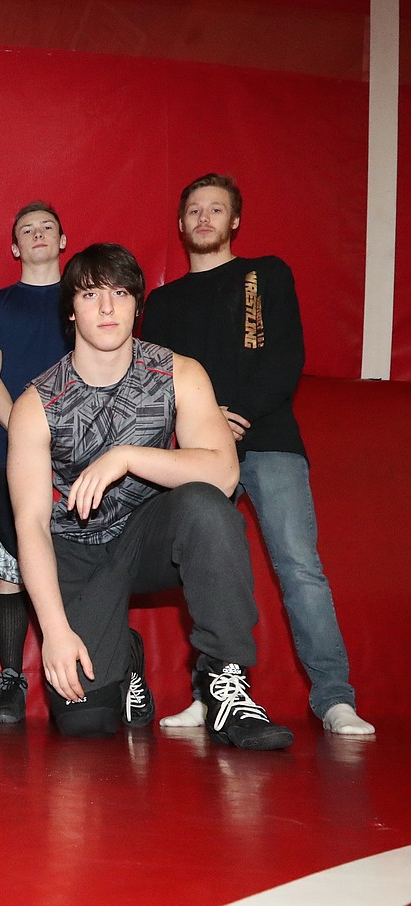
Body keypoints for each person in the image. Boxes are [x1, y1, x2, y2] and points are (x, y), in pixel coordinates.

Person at [8, 242, 294, 749]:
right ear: (70, 310)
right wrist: (53, 629)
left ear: (138, 305)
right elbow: (29, 523)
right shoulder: (36, 403)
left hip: (147, 539)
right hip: (75, 550)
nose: (106, 307)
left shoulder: (178, 372)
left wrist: (128, 456)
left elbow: (225, 472)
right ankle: (127, 655)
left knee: (208, 506)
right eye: (91, 294)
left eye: (120, 293)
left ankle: (224, 681)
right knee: (85, 723)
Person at [141, 173, 374, 736]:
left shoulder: (263, 275)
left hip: (269, 440)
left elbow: (286, 355)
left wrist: (232, 413)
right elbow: (156, 379)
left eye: (215, 209)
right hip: (199, 452)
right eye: (193, 210)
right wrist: (205, 427)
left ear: (234, 221)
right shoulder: (163, 301)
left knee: (301, 569)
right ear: (180, 224)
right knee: (207, 570)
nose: (203, 218)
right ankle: (213, 693)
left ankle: (334, 698)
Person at [0, 201, 72, 724]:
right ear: (14, 247)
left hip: (82, 450)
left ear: (62, 240)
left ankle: (84, 673)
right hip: (12, 447)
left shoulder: (84, 300)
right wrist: (27, 435)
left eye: (46, 228)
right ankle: (11, 680)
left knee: (79, 565)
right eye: (25, 230)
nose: (36, 235)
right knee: (11, 567)